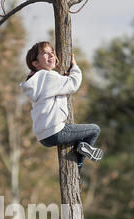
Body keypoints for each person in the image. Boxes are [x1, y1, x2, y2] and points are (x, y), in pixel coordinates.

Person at [20, 41, 104, 173]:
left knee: (79, 139)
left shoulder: (37, 82)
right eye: (44, 53)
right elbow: (73, 84)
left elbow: (56, 89)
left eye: (51, 52)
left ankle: (81, 146)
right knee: (95, 130)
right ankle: (80, 163)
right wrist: (75, 67)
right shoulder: (48, 76)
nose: (51, 55)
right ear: (35, 63)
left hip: (43, 137)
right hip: (56, 130)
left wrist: (60, 78)